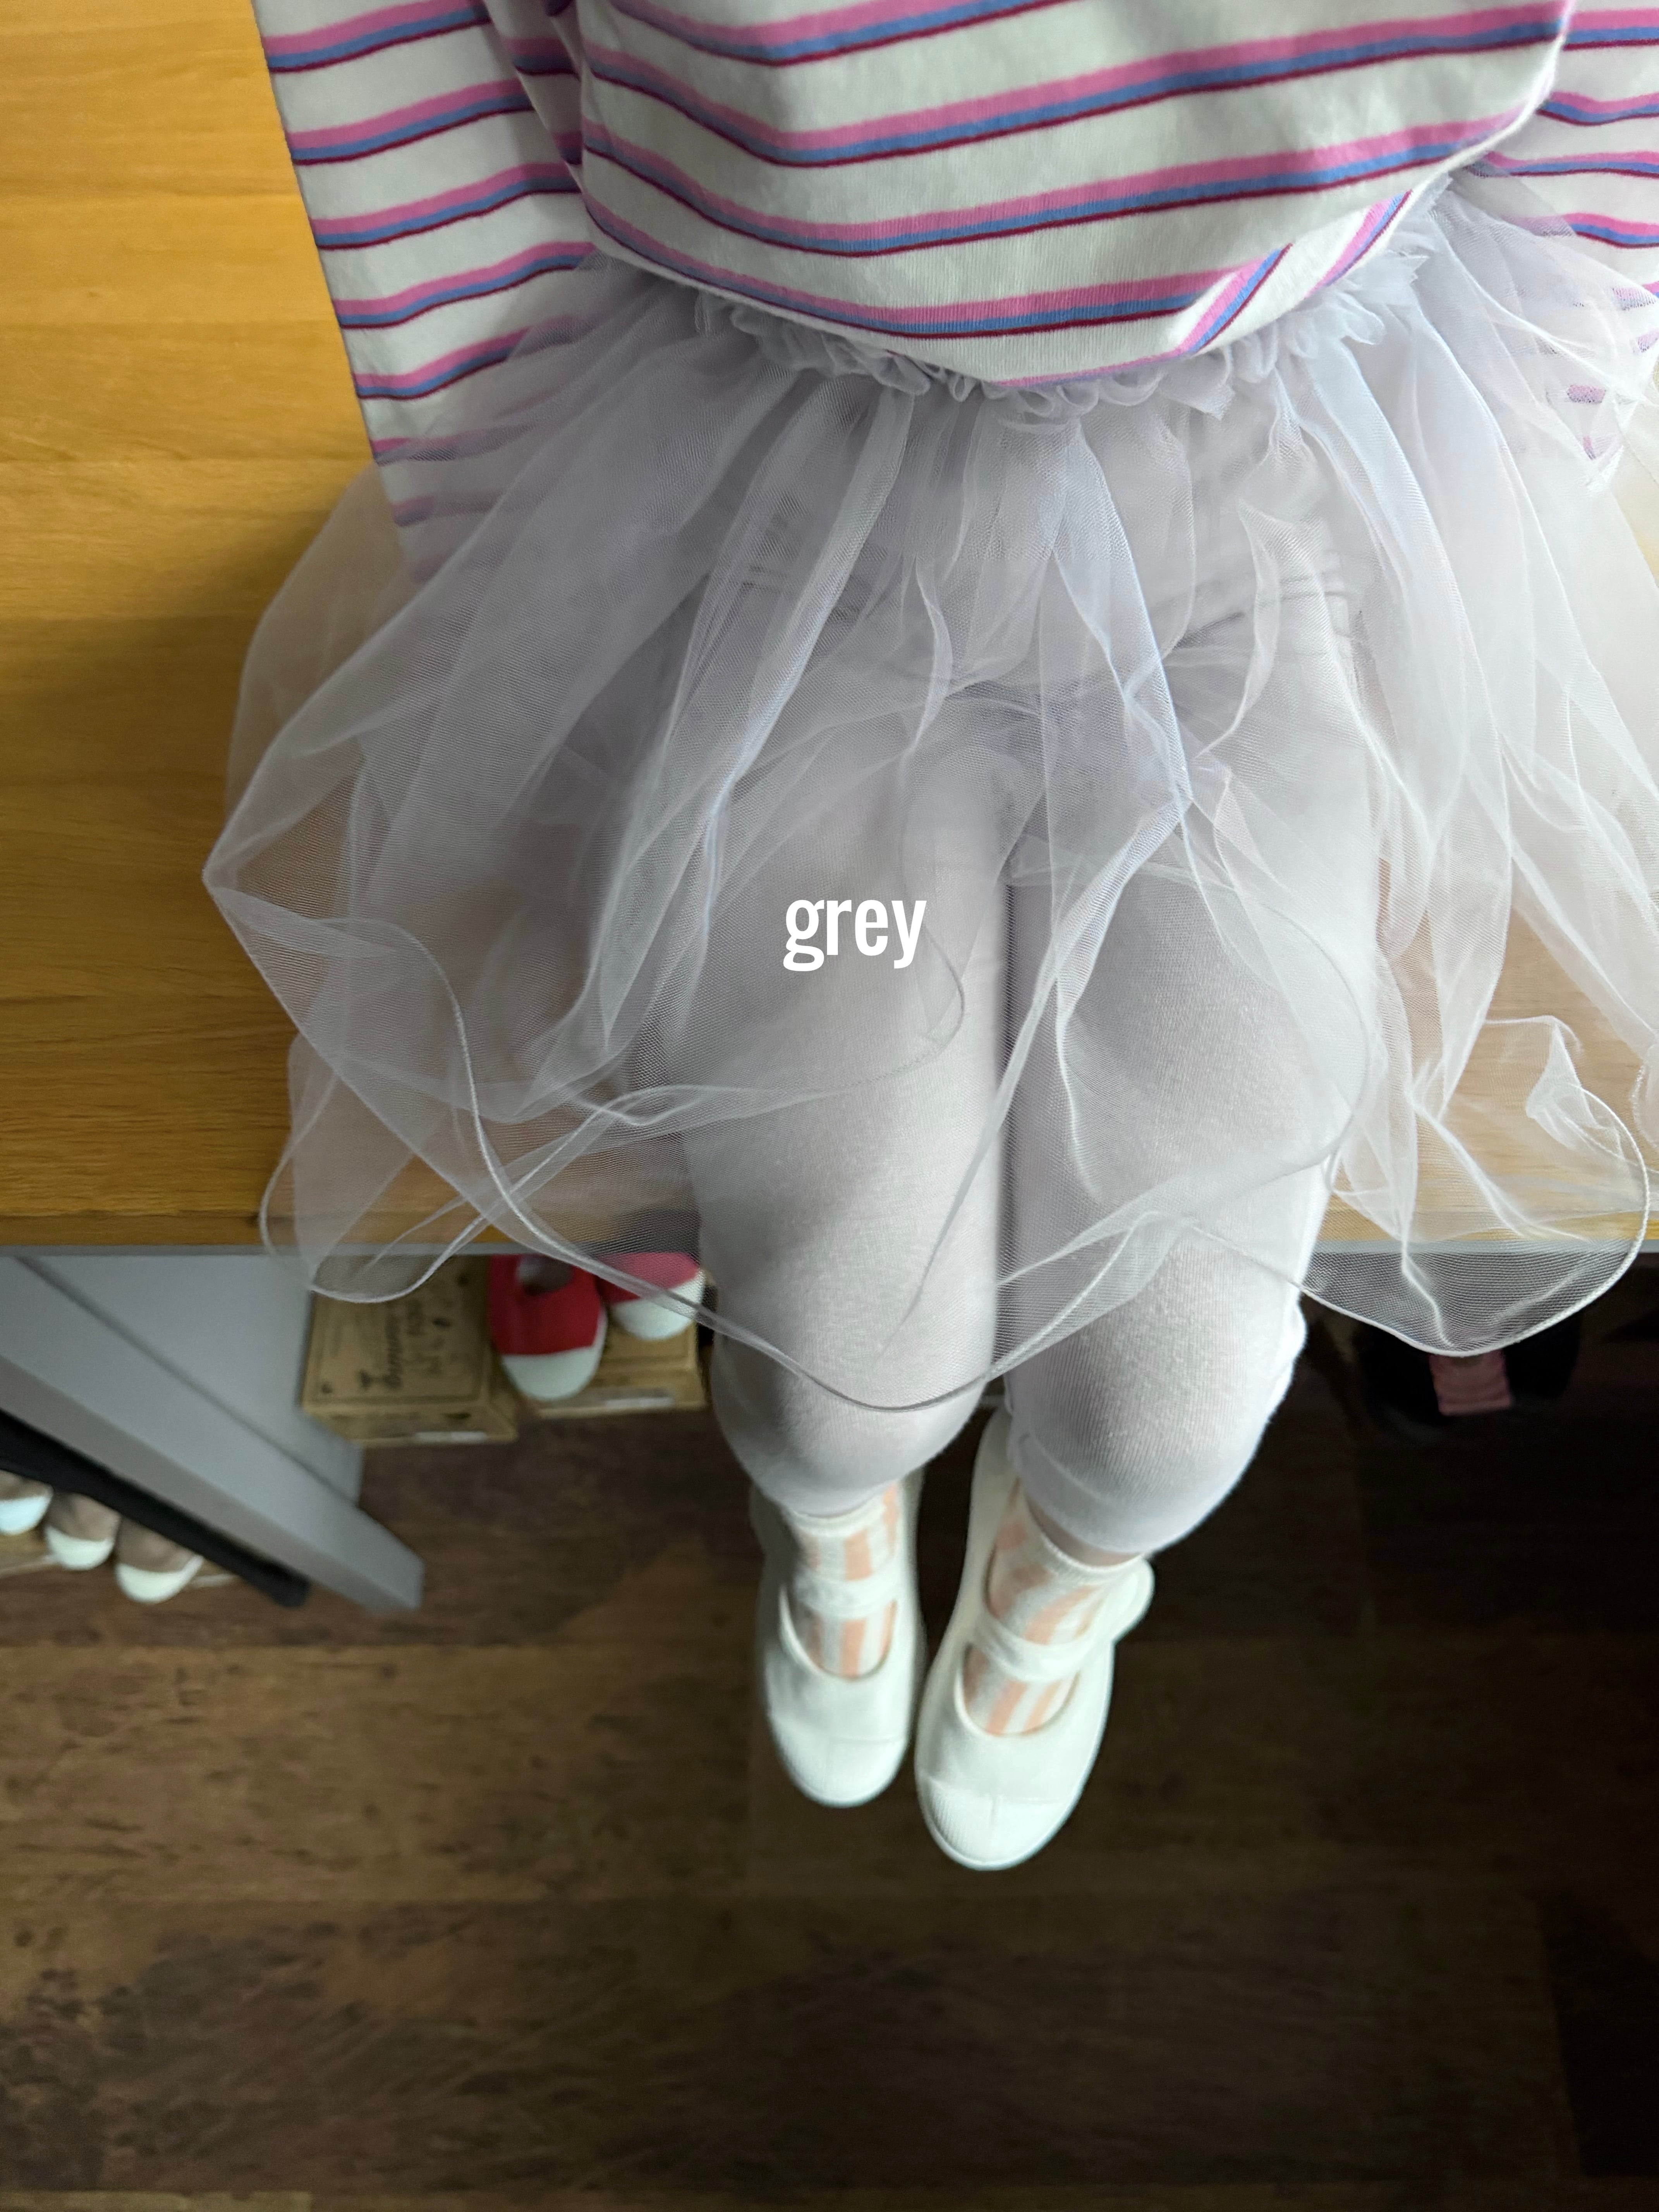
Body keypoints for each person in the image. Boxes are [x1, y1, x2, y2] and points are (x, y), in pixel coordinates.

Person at [208, 1, 1659, 1867]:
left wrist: (1491, 532)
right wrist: (542, 602)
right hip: (784, 534)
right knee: (841, 1356)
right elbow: (411, 93)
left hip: (1270, 520)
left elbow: (1612, 104)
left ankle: (1066, 1580)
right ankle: (834, 1523)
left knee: (1167, 1405)